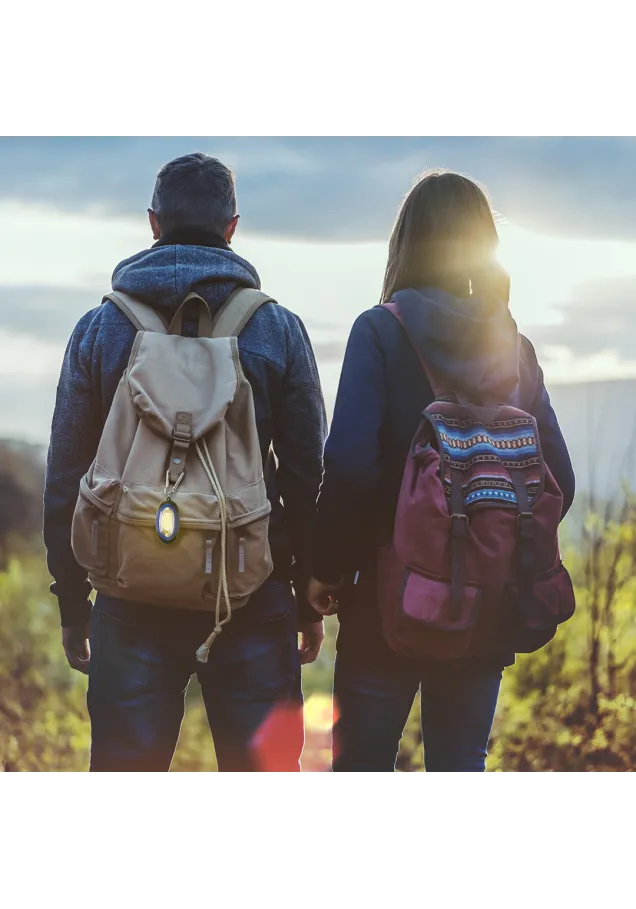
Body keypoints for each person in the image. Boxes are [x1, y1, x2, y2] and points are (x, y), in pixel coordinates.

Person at [44, 152, 327, 774]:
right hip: (252, 591)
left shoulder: (99, 329)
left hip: (127, 588)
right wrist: (307, 596)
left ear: (153, 224)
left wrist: (73, 600)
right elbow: (309, 476)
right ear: (232, 228)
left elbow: (66, 474)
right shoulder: (276, 328)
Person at [307, 170, 575, 775]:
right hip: (487, 605)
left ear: (407, 242)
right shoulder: (513, 345)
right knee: (460, 767)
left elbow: (349, 466)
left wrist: (325, 570)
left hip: (385, 602)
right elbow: (561, 477)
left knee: (362, 770)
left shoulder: (379, 331)